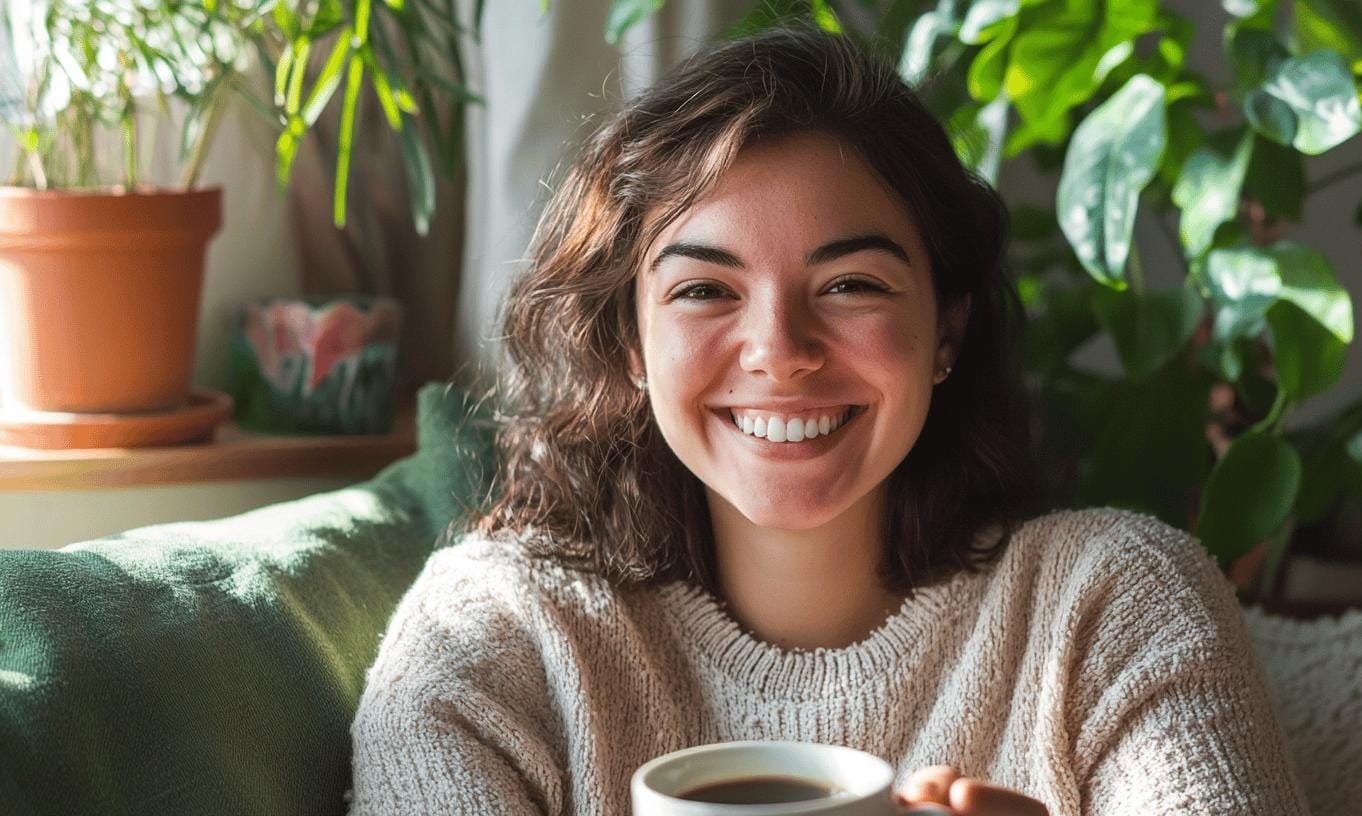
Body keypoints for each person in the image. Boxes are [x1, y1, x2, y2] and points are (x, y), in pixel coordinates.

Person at [347, 25, 1310, 816]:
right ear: (631, 345)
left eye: (850, 284)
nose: (780, 348)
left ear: (947, 328)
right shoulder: (497, 632)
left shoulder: (1113, 607)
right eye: (704, 290)